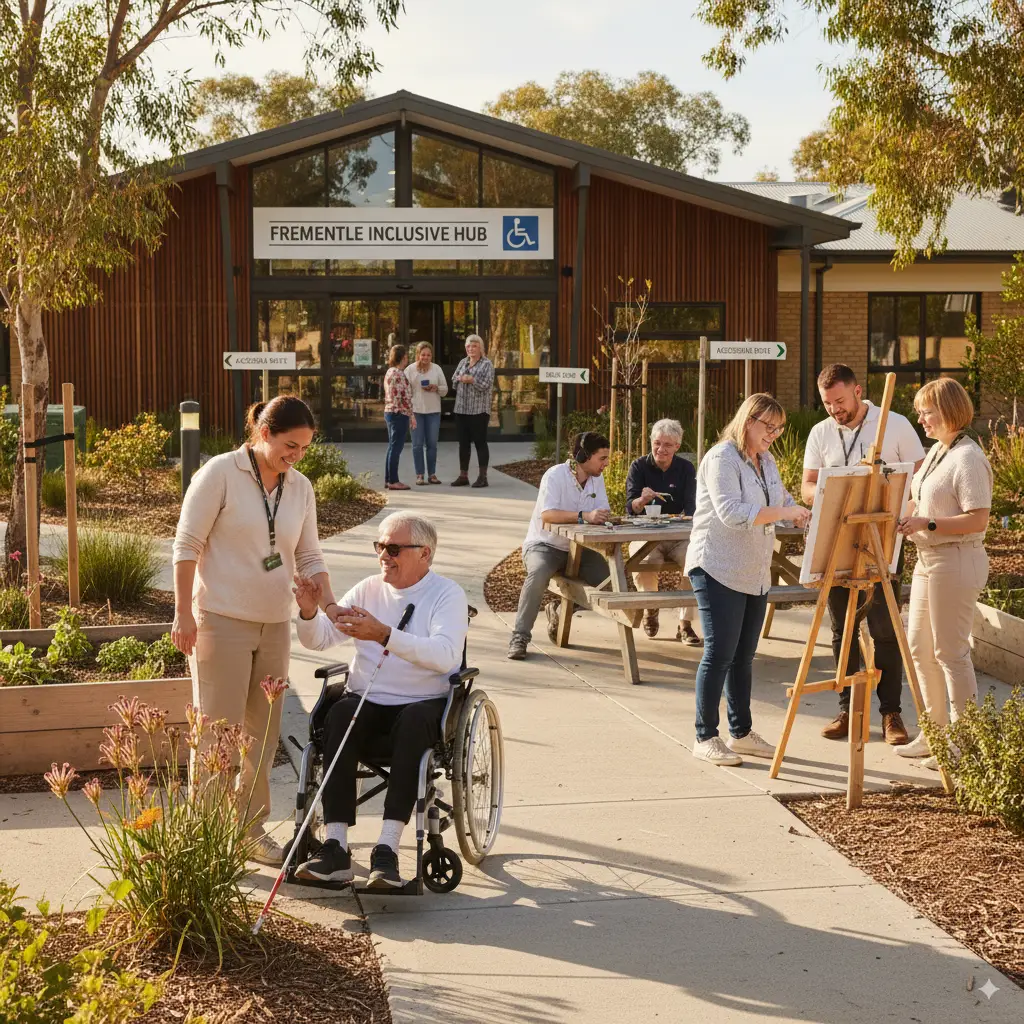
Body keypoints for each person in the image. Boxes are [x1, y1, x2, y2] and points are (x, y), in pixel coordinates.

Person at [171, 396, 337, 865]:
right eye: (290, 445)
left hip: (274, 624)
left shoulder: (300, 487)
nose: (296, 456)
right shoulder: (220, 474)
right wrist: (183, 613)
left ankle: (248, 829)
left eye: (304, 448)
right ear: (264, 433)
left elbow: (309, 555)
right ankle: (205, 835)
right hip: (220, 620)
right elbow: (186, 545)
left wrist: (330, 606)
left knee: (262, 737)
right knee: (216, 733)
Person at [291, 512, 469, 888]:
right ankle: (336, 847)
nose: (383, 556)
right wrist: (308, 611)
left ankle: (386, 849)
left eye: (394, 548)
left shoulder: (447, 594)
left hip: (422, 702)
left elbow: (445, 656)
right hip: (368, 700)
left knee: (415, 723)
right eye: (380, 546)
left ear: (425, 553)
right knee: (338, 715)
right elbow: (320, 639)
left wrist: (384, 634)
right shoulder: (368, 589)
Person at [684, 394, 812, 767]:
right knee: (719, 653)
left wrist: (802, 512)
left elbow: (782, 501)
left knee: (743, 656)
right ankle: (705, 737)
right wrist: (785, 510)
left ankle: (741, 734)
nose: (773, 434)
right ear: (748, 420)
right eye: (768, 426)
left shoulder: (766, 461)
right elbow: (731, 512)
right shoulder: (722, 458)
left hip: (754, 572)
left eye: (779, 429)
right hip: (717, 566)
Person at [802, 363, 926, 744]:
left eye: (839, 401)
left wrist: (904, 511)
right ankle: (848, 710)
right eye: (827, 404)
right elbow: (807, 486)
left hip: (882, 539)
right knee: (843, 629)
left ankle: (891, 714)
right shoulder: (821, 432)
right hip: (839, 542)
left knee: (885, 628)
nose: (834, 410)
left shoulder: (895, 424)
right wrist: (831, 493)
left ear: (857, 391)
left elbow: (921, 479)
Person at [896, 378, 992, 771]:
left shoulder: (968, 457)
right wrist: (903, 513)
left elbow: (978, 518)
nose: (920, 419)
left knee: (951, 653)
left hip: (956, 559)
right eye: (920, 412)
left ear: (950, 411)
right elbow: (922, 497)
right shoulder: (938, 450)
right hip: (928, 561)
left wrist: (927, 523)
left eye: (927, 412)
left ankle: (963, 742)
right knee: (920, 649)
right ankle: (934, 734)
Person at [507, 431, 613, 660]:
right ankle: (520, 637)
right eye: (602, 458)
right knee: (537, 574)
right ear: (584, 456)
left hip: (579, 548)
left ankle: (560, 608)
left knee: (610, 582)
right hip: (544, 545)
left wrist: (605, 518)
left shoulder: (597, 479)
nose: (606, 463)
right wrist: (585, 516)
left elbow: (602, 510)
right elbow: (548, 515)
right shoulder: (555, 476)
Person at [626, 419, 700, 645]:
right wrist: (641, 500)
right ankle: (651, 607)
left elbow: (692, 507)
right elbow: (630, 508)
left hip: (678, 535)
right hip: (646, 534)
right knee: (644, 560)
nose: (661, 449)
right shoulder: (639, 466)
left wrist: (686, 519)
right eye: (657, 443)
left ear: (677, 446)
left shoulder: (686, 469)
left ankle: (685, 624)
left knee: (696, 561)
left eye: (667, 445)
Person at [450, 334, 494, 488]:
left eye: (474, 346)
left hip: (479, 410)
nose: (471, 349)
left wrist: (472, 380)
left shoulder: (487, 364)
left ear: (480, 348)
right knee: (463, 444)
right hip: (461, 408)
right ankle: (463, 476)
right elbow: (454, 379)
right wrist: (460, 379)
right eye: (468, 346)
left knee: (480, 443)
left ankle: (483, 477)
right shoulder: (463, 362)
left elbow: (486, 384)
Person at [405, 342, 447, 485]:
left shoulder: (437, 369)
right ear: (418, 355)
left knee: (432, 444)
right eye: (423, 354)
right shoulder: (410, 370)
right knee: (417, 445)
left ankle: (432, 474)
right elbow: (405, 391)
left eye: (428, 355)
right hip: (416, 411)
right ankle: (420, 475)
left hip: (433, 411)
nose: (426, 357)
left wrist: (436, 388)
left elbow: (445, 390)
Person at [383, 345, 416, 491]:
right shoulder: (399, 374)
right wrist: (411, 415)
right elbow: (404, 398)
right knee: (396, 448)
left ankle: (388, 478)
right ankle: (393, 480)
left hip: (390, 411)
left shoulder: (389, 372)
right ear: (403, 357)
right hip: (399, 413)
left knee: (392, 446)